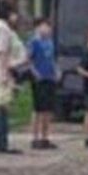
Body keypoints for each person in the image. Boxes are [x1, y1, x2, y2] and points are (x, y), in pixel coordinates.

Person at [0, 0, 26, 154]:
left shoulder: (2, 28)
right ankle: (1, 143)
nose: (16, 16)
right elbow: (2, 52)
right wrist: (5, 73)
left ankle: (3, 142)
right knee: (1, 106)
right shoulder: (2, 29)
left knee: (4, 106)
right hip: (4, 72)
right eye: (14, 13)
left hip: (4, 70)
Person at [27, 17, 58, 150]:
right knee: (38, 109)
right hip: (39, 78)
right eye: (46, 26)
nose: (48, 29)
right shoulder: (33, 42)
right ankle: (34, 138)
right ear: (38, 27)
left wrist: (56, 70)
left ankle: (45, 137)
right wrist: (34, 73)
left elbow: (51, 59)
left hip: (50, 77)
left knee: (48, 109)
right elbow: (28, 59)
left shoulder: (50, 42)